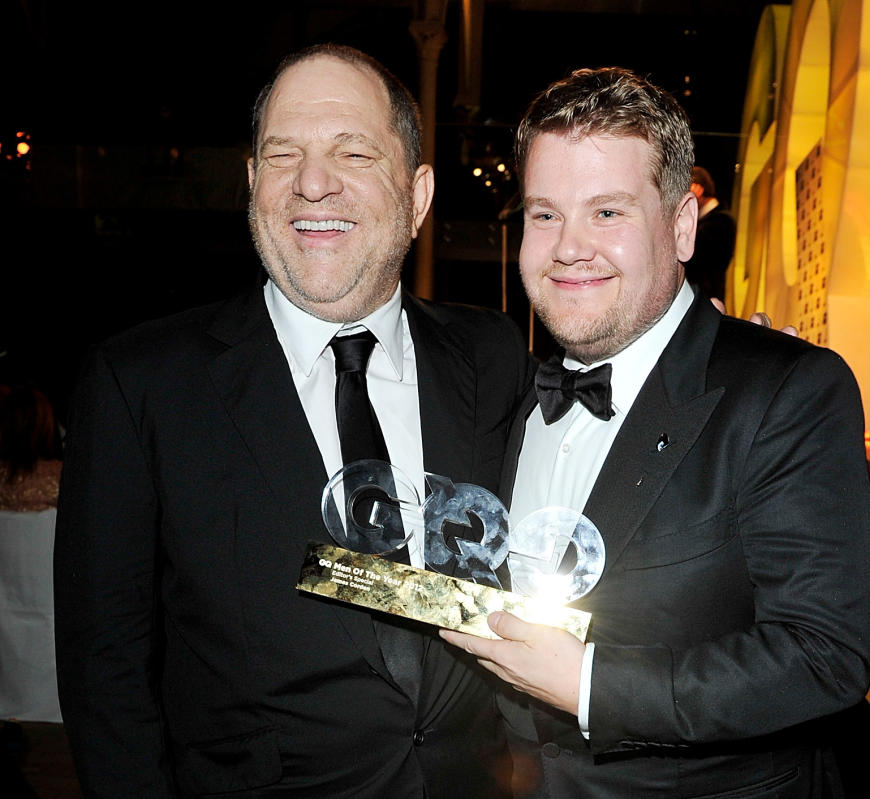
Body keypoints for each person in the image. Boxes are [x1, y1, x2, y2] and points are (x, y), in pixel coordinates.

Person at [53, 44, 531, 798]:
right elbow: (104, 674)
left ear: (418, 195)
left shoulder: (493, 355)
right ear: (252, 183)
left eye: (353, 151)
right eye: (283, 155)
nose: (313, 182)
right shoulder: (139, 385)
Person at [440, 67, 870, 798]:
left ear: (681, 227)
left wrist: (587, 683)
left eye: (607, 213)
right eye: (545, 215)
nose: (568, 247)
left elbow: (823, 657)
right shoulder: (513, 392)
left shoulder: (786, 390)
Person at [684, 165, 736, 303]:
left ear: (698, 189)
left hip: (706, 301)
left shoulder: (720, 221)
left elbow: (694, 257)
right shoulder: (706, 221)